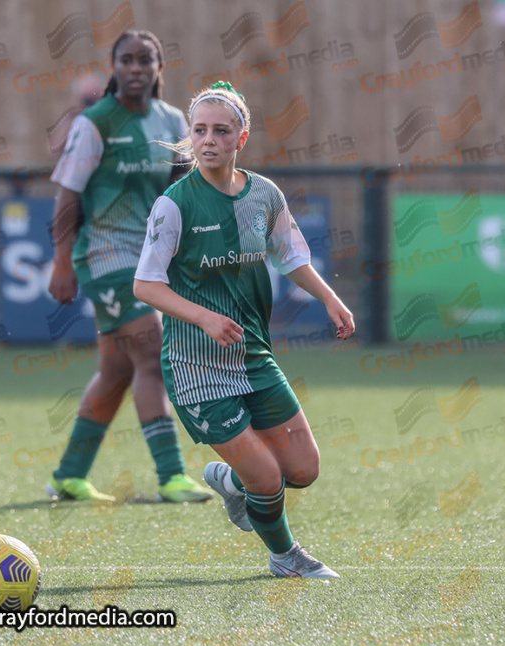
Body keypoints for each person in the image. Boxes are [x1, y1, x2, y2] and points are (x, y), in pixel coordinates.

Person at [133, 82, 356, 578]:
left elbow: (292, 255)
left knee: (303, 471)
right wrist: (204, 317)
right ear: (189, 137)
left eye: (221, 130)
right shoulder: (174, 204)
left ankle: (233, 483)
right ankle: (285, 556)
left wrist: (330, 297)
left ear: (242, 137)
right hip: (196, 367)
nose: (208, 139)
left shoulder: (264, 194)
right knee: (270, 476)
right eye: (199, 130)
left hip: (254, 357)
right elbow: (146, 285)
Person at [45, 29, 213, 504]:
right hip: (104, 256)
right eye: (126, 60)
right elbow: (67, 198)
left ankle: (68, 474)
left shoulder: (173, 120)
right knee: (153, 351)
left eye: (145, 61)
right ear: (114, 67)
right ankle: (172, 475)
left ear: (159, 68)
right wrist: (62, 262)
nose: (135, 68)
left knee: (118, 369)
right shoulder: (94, 123)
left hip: (150, 257)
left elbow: (186, 192)